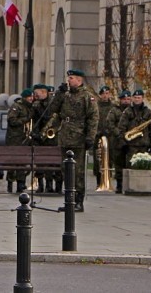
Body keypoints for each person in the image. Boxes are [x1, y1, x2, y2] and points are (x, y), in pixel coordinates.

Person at [49, 70, 99, 210]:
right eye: (68, 78)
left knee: (77, 171)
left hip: (79, 137)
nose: (68, 80)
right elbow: (52, 110)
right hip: (65, 136)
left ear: (79, 80)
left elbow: (93, 118)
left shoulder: (87, 96)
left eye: (71, 78)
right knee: (65, 170)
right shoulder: (65, 95)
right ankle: (69, 200)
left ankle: (78, 201)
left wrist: (90, 137)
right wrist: (58, 94)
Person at [118, 88, 151, 175]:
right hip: (131, 146)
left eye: (139, 97)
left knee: (144, 169)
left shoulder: (148, 112)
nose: (137, 99)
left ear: (142, 98)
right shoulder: (127, 111)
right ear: (132, 98)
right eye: (135, 97)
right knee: (130, 169)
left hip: (144, 146)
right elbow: (121, 128)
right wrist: (123, 143)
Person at [31, 83, 61, 193]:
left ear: (44, 92)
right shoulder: (36, 105)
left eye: (36, 93)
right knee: (40, 162)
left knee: (55, 162)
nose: (35, 95)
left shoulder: (53, 103)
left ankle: (56, 185)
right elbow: (34, 120)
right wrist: (35, 134)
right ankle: (41, 185)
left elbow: (57, 118)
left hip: (53, 137)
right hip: (40, 138)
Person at [6, 88, 34, 193]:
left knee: (23, 162)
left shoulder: (29, 108)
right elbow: (11, 120)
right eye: (29, 97)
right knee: (13, 162)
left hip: (25, 138)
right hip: (14, 138)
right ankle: (10, 182)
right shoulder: (16, 106)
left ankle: (21, 183)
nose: (31, 99)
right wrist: (24, 120)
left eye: (32, 97)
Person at [93, 85, 120, 189]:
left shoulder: (113, 107)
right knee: (98, 159)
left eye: (107, 93)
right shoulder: (95, 106)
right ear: (100, 95)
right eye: (103, 94)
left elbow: (117, 121)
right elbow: (93, 120)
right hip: (98, 136)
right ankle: (99, 181)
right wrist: (97, 132)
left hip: (110, 137)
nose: (105, 95)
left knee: (110, 158)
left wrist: (111, 131)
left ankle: (108, 180)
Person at [110, 90, 133, 193]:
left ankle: (129, 185)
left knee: (129, 163)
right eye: (124, 99)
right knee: (119, 163)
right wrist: (118, 133)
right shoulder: (115, 110)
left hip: (132, 141)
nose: (126, 101)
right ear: (120, 100)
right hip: (118, 141)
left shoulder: (133, 110)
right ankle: (119, 185)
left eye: (128, 99)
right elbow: (110, 123)